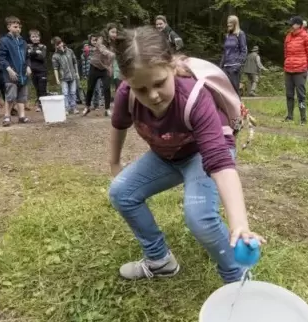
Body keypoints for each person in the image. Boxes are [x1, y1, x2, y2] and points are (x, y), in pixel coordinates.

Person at [108, 26, 265, 283]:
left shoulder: (194, 96)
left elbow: (221, 163)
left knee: (200, 218)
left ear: (172, 66)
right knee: (121, 192)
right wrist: (114, 164)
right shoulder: (127, 95)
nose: (153, 96)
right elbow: (118, 125)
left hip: (202, 155)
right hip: (166, 155)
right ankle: (159, 260)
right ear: (127, 81)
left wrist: (239, 223)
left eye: (159, 83)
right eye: (142, 89)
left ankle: (238, 278)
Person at [0, 16, 32, 126]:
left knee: (22, 96)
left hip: (23, 73)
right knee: (10, 96)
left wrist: (28, 66)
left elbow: (27, 57)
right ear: (9, 27)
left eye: (19, 27)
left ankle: (21, 116)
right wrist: (9, 69)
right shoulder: (4, 41)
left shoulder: (23, 41)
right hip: (11, 73)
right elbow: (1, 58)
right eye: (15, 27)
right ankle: (7, 117)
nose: (18, 29)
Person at [283, 16, 308, 125]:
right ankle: (289, 116)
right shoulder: (288, 37)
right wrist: (287, 62)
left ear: (298, 25)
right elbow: (286, 52)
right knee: (289, 94)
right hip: (288, 69)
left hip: (300, 70)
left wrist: (307, 66)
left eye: (292, 24)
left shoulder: (306, 37)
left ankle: (303, 118)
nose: (290, 26)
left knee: (301, 96)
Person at [83, 23, 117, 117]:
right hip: (94, 66)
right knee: (90, 88)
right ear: (108, 32)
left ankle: (107, 109)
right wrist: (112, 54)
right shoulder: (101, 39)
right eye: (112, 32)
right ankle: (87, 107)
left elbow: (111, 58)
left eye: (116, 32)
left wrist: (110, 67)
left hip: (105, 68)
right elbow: (103, 50)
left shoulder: (114, 43)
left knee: (106, 88)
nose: (114, 34)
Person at [220, 15, 247, 96]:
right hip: (226, 67)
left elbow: (244, 51)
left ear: (235, 23)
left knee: (234, 91)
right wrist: (220, 66)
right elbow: (225, 52)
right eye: (228, 23)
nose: (228, 24)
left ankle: (238, 108)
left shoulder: (240, 34)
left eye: (230, 23)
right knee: (225, 91)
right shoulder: (227, 35)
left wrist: (238, 65)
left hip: (234, 67)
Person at [52, 36, 79, 114]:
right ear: (55, 46)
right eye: (57, 44)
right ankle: (66, 108)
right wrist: (57, 79)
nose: (59, 45)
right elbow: (55, 68)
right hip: (63, 78)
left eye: (60, 43)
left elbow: (75, 62)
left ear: (62, 42)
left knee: (73, 92)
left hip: (73, 76)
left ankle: (73, 108)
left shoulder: (70, 51)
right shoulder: (55, 56)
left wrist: (77, 72)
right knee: (65, 93)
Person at [28, 29, 48, 112]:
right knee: (37, 89)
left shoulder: (43, 46)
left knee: (42, 89)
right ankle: (39, 105)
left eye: (36, 36)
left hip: (42, 70)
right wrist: (36, 52)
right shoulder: (28, 46)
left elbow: (42, 58)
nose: (35, 38)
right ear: (30, 38)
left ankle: (44, 105)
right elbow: (27, 56)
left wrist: (32, 53)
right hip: (33, 71)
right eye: (33, 37)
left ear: (39, 37)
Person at [82, 36, 104, 109]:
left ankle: (96, 104)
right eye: (93, 40)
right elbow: (84, 62)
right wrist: (84, 73)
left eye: (95, 40)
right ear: (90, 41)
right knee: (91, 89)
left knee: (97, 89)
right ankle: (89, 104)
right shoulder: (87, 49)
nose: (94, 42)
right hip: (90, 72)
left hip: (98, 72)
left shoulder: (100, 49)